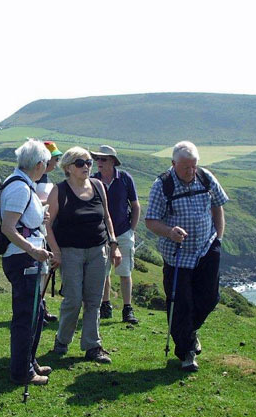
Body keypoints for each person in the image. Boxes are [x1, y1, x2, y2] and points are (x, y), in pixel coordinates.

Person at [145, 141, 228, 372]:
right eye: (185, 168)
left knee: (210, 297)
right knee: (180, 304)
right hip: (177, 255)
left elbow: (218, 205)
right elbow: (151, 220)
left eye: (194, 166)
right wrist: (170, 232)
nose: (191, 172)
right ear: (173, 164)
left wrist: (218, 239)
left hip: (206, 248)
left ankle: (188, 333)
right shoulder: (162, 185)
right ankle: (186, 352)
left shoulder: (205, 177)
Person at [46, 146, 122, 364]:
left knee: (93, 300)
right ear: (68, 167)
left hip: (99, 250)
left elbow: (106, 217)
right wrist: (56, 252)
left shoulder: (98, 186)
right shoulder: (59, 191)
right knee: (73, 299)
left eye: (89, 162)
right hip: (70, 252)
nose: (87, 166)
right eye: (81, 163)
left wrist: (113, 244)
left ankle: (92, 346)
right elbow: (48, 225)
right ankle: (62, 340)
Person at [0, 138, 53, 386]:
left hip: (25, 258)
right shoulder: (20, 188)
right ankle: (22, 372)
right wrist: (33, 249)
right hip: (22, 260)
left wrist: (40, 212)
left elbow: (22, 220)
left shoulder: (23, 184)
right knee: (26, 315)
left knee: (36, 311)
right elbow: (8, 227)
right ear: (40, 164)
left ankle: (29, 362)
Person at [91, 145, 141, 324]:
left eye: (103, 159)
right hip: (102, 233)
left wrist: (131, 230)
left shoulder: (125, 178)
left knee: (125, 271)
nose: (99, 162)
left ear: (112, 161)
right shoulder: (93, 180)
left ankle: (128, 308)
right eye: (97, 159)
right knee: (103, 272)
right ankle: (106, 305)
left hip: (123, 232)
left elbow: (135, 205)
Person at [35, 141, 63, 325]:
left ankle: (41, 308)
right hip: (37, 231)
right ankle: (37, 309)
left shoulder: (43, 178)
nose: (57, 162)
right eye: (55, 158)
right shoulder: (38, 177)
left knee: (44, 271)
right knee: (39, 271)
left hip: (43, 230)